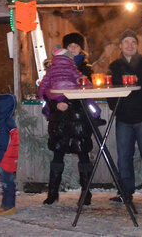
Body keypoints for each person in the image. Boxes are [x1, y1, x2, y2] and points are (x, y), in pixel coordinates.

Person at [36, 32, 97, 206]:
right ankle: (53, 192)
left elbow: (88, 92)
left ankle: (86, 193)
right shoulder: (54, 66)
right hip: (59, 117)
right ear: (64, 48)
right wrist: (55, 105)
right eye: (69, 46)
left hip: (78, 116)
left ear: (81, 49)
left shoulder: (86, 69)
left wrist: (69, 104)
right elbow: (47, 88)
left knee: (83, 153)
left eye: (76, 46)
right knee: (57, 153)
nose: (72, 48)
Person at [107, 30, 142, 205]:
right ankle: (125, 191)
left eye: (133, 42)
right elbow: (110, 90)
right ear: (121, 46)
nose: (130, 45)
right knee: (124, 156)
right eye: (126, 42)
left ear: (137, 46)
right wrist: (115, 108)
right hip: (123, 117)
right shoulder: (114, 66)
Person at [0, 93, 19, 216]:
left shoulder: (3, 125)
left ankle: (9, 206)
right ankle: (5, 205)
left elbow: (1, 145)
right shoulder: (7, 122)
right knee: (6, 183)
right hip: (7, 159)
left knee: (7, 184)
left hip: (4, 159)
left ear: (2, 107)